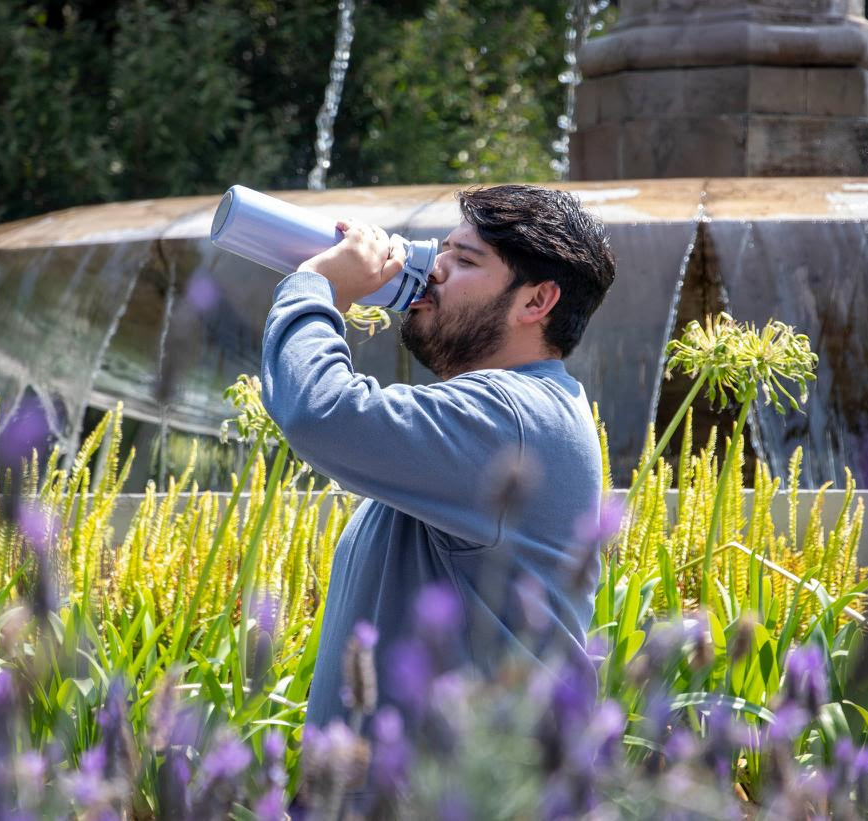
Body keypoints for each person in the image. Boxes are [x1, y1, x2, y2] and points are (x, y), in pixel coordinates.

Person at [259, 184, 616, 736]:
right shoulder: (513, 411)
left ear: (536, 302)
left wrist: (318, 288)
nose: (434, 271)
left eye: (464, 260)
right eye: (440, 251)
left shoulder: (510, 417)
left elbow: (321, 411)